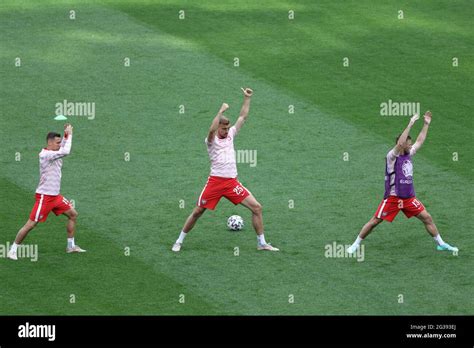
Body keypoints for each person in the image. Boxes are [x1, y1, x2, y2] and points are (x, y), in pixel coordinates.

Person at [172, 88, 279, 252]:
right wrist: (220, 111)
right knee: (198, 211)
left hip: (231, 183)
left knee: (257, 208)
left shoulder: (230, 135)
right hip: (215, 182)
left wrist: (247, 98)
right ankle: (179, 241)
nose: (226, 131)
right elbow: (210, 130)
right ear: (218, 127)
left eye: (228, 128)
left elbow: (243, 117)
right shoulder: (211, 141)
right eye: (224, 128)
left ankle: (262, 243)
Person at [347, 111, 458, 254]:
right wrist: (410, 123)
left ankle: (441, 243)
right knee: (374, 221)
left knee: (427, 218)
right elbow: (400, 143)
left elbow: (420, 141)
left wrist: (425, 124)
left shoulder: (409, 153)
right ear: (402, 144)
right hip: (393, 198)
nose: (411, 145)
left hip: (408, 198)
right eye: (408, 143)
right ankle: (356, 244)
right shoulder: (392, 156)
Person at [7, 124, 86, 260]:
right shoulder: (46, 155)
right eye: (57, 142)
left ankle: (70, 246)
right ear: (49, 143)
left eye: (60, 142)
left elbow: (63, 149)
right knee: (31, 224)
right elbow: (66, 151)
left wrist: (66, 134)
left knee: (73, 214)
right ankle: (12, 250)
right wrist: (70, 135)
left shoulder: (54, 152)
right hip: (45, 197)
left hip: (55, 197)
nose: (60, 145)